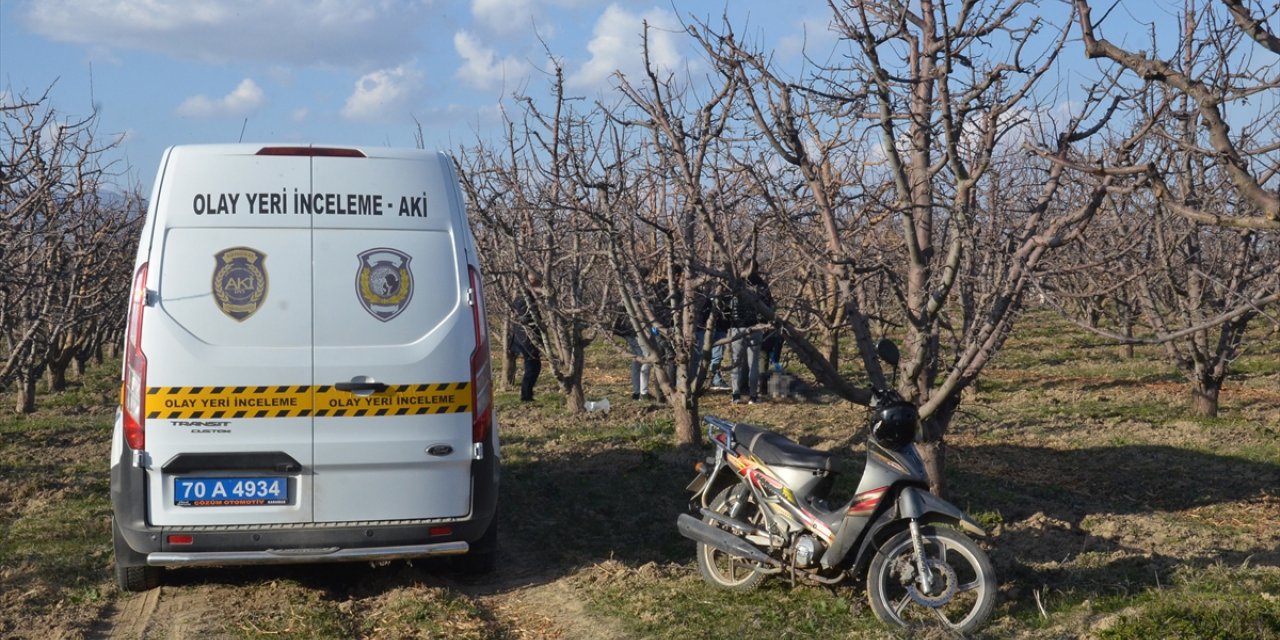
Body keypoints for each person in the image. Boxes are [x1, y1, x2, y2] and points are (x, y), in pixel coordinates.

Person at [726, 262, 773, 404]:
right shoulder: (762, 285)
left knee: (736, 362)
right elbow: (768, 306)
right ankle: (753, 396)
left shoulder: (735, 284)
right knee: (754, 364)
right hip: (755, 327)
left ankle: (736, 395)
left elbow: (726, 305)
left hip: (737, 328)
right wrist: (765, 322)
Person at [509, 274, 543, 402]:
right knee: (533, 366)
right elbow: (526, 320)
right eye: (536, 282)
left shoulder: (525, 297)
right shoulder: (524, 299)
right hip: (526, 339)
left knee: (532, 366)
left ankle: (527, 394)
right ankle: (526, 395)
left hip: (524, 338)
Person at [612, 304, 653, 401]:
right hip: (633, 330)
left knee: (637, 359)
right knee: (644, 358)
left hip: (627, 329)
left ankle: (637, 393)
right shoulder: (636, 295)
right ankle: (643, 394)